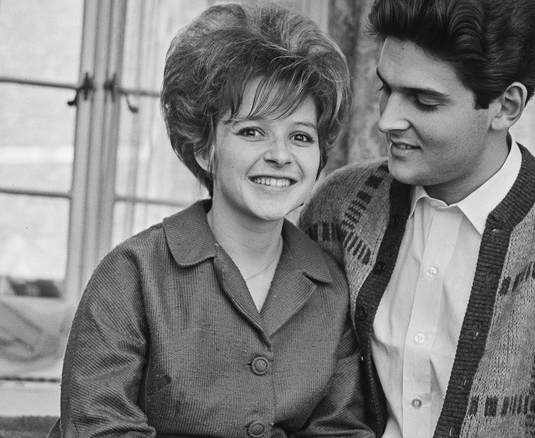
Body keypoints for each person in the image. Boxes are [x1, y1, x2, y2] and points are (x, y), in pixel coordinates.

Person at [299, 0, 535, 436]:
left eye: (424, 101)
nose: (387, 119)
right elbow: (317, 403)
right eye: (386, 88)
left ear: (506, 107)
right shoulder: (337, 206)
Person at [57, 3, 374, 437]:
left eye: (300, 136)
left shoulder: (333, 291)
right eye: (251, 131)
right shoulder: (131, 275)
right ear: (204, 147)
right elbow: (98, 426)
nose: (281, 156)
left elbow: (340, 431)